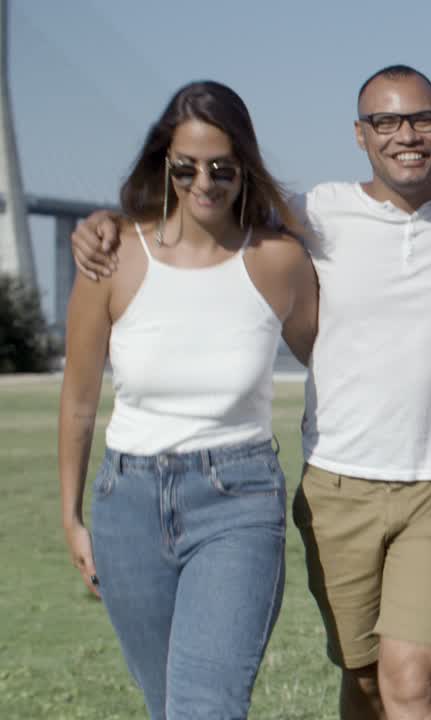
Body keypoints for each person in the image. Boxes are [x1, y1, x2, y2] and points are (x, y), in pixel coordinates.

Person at [72, 64, 431, 720]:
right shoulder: (314, 217)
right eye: (386, 121)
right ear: (359, 135)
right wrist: (106, 222)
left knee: (412, 678)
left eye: (422, 118)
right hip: (338, 489)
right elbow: (214, 225)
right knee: (365, 679)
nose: (407, 134)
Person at [57, 80, 317, 719]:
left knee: (206, 707)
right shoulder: (113, 256)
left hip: (238, 500)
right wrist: (71, 516)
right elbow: (80, 399)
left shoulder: (278, 260)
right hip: (128, 506)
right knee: (166, 707)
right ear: (164, 165)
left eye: (223, 168)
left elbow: (332, 362)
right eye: (187, 167)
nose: (205, 181)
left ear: (244, 168)